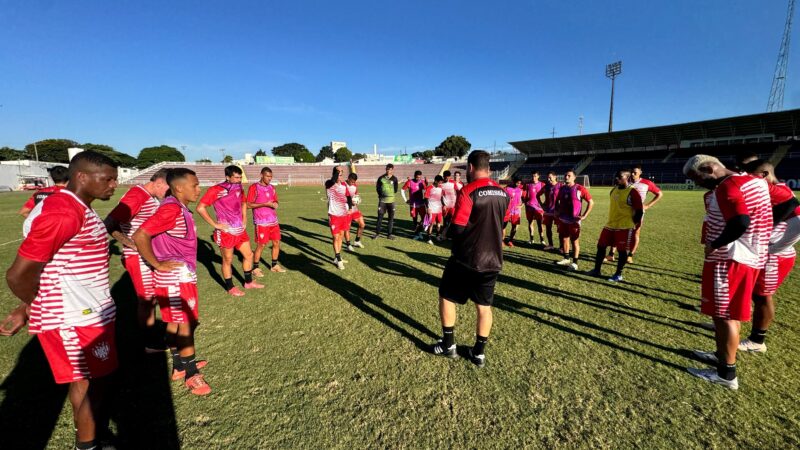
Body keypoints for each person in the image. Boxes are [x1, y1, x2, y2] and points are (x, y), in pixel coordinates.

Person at [2, 151, 119, 449]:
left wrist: (26, 308)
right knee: (95, 383)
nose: (113, 185)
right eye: (107, 179)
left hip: (88, 311)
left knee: (85, 382)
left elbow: (53, 266)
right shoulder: (64, 213)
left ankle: (90, 437)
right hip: (75, 317)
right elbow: (18, 275)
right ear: (81, 177)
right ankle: (88, 444)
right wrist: (33, 306)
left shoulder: (77, 206)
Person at [683, 155, 772, 390]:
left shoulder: (728, 186)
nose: (697, 184)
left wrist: (716, 243)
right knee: (729, 313)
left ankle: (726, 374)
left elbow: (740, 221)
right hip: (750, 257)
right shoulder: (753, 181)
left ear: (709, 168)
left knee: (724, 316)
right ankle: (721, 355)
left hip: (731, 259)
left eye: (697, 178)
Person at [134, 168, 211, 395]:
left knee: (176, 322)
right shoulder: (171, 210)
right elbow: (141, 235)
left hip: (179, 275)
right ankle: (191, 374)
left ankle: (179, 366)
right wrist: (157, 264)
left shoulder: (177, 208)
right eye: (195, 185)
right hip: (175, 277)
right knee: (186, 324)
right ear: (179, 187)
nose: (199, 189)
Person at [431, 150, 510, 368]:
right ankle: (479, 353)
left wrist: (448, 236)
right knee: (484, 307)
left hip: (466, 259)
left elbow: (457, 228)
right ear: (489, 168)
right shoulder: (504, 193)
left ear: (471, 168)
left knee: (447, 296)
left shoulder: (468, 191)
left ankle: (448, 345)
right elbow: (501, 225)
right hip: (493, 260)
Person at [104, 168, 170, 352]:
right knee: (146, 299)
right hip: (138, 258)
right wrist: (132, 245)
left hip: (147, 255)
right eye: (168, 188)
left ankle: (153, 334)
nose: (169, 193)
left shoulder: (147, 195)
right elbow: (109, 224)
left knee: (153, 298)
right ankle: (150, 342)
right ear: (159, 183)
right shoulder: (137, 196)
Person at [738, 160, 800, 353]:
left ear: (764, 175)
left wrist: (775, 246)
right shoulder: (771, 191)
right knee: (750, 292)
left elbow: (796, 221)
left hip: (775, 256)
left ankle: (757, 341)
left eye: (751, 176)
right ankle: (732, 324)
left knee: (762, 296)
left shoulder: (781, 193)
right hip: (765, 252)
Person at [197, 165, 263, 296]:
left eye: (240, 177)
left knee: (249, 255)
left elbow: (244, 203)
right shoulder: (216, 190)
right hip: (226, 232)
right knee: (228, 260)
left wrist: (244, 219)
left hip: (240, 230)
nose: (239, 180)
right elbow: (200, 208)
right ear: (227, 177)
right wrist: (216, 225)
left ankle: (248, 283)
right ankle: (230, 287)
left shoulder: (239, 187)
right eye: (236, 177)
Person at [588, 170, 643, 282]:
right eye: (616, 176)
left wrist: (633, 223)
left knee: (622, 251)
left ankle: (618, 274)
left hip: (625, 226)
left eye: (619, 177)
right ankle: (596, 270)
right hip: (610, 224)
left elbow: (639, 211)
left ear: (627, 178)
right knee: (601, 246)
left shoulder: (633, 192)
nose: (616, 178)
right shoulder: (613, 190)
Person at [606, 165, 663, 263]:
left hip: (637, 212)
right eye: (631, 172)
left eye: (635, 173)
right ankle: (611, 254)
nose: (632, 174)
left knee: (636, 233)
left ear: (640, 173)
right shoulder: (625, 181)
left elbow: (659, 194)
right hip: (623, 212)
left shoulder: (647, 183)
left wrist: (647, 206)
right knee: (618, 231)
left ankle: (630, 255)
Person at [246, 167, 286, 276]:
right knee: (261, 245)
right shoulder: (254, 187)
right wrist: (265, 204)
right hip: (261, 222)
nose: (269, 179)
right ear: (261, 175)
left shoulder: (272, 188)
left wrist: (275, 204)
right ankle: (255, 268)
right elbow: (248, 205)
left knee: (277, 242)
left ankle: (274, 265)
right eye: (267, 176)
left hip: (273, 221)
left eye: (271, 177)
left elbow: (275, 201)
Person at [554, 170, 593, 271]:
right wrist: (557, 210)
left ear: (574, 178)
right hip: (563, 219)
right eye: (565, 175)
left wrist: (584, 215)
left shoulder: (580, 188)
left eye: (569, 176)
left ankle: (575, 263)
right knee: (564, 238)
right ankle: (566, 258)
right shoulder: (562, 188)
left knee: (575, 241)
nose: (566, 177)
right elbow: (557, 200)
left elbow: (591, 202)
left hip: (574, 220)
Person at [326, 166, 353, 270]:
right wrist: (337, 171)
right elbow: (333, 180)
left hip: (343, 214)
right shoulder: (329, 184)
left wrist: (350, 208)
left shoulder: (343, 185)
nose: (340, 175)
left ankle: (337, 257)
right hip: (333, 215)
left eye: (342, 173)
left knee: (341, 236)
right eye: (339, 173)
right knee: (336, 237)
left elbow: (349, 197)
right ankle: (339, 259)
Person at [374, 164, 398, 240]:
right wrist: (382, 195)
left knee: (391, 218)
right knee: (380, 218)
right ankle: (377, 233)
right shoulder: (381, 178)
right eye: (387, 169)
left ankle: (389, 234)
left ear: (392, 170)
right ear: (385, 169)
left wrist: (389, 194)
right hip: (382, 201)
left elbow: (396, 189)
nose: (388, 171)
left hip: (391, 201)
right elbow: (378, 188)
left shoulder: (394, 179)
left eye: (390, 169)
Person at [523, 171, 545, 246]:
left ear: (538, 176)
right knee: (530, 223)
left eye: (535, 176)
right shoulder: (528, 184)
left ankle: (542, 240)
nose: (534, 178)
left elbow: (548, 194)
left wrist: (543, 204)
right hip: (529, 207)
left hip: (539, 208)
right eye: (532, 176)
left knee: (540, 224)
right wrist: (525, 203)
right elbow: (524, 195)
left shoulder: (542, 184)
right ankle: (531, 239)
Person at [540, 171, 562, 250]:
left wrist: (560, 209)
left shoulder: (560, 186)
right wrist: (542, 205)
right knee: (548, 228)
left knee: (560, 230)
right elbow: (537, 195)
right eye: (548, 178)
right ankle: (550, 245)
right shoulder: (546, 186)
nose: (548, 179)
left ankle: (561, 247)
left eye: (550, 177)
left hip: (557, 212)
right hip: (548, 211)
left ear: (555, 177)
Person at [403, 171, 428, 238]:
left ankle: (418, 230)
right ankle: (416, 232)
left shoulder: (422, 182)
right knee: (414, 218)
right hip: (413, 204)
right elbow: (402, 190)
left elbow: (426, 190)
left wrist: (426, 184)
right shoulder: (409, 182)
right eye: (417, 177)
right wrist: (405, 200)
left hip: (421, 203)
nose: (418, 179)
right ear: (414, 176)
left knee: (425, 218)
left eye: (419, 177)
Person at [344, 173, 365, 250]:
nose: (353, 183)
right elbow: (341, 197)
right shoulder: (343, 185)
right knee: (347, 228)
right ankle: (348, 244)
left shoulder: (355, 185)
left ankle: (357, 241)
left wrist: (358, 199)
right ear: (348, 178)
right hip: (346, 209)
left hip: (355, 209)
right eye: (352, 182)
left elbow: (356, 195)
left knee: (362, 224)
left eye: (354, 182)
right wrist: (349, 202)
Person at [423, 175, 445, 244]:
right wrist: (428, 208)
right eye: (439, 182)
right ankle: (428, 238)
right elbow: (426, 199)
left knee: (439, 223)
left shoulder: (441, 187)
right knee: (431, 224)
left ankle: (437, 236)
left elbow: (441, 198)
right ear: (435, 181)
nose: (440, 184)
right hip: (432, 209)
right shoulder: (429, 188)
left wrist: (443, 205)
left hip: (439, 209)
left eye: (441, 183)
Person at [503, 177, 524, 247]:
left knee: (514, 226)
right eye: (517, 183)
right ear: (513, 181)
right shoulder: (507, 189)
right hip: (507, 211)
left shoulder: (520, 190)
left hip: (516, 211)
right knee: (503, 226)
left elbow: (524, 198)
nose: (518, 184)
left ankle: (510, 240)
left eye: (520, 183)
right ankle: (502, 241)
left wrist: (521, 205)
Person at [440, 170, 458, 239]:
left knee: (451, 221)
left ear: (450, 177)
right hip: (445, 205)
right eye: (446, 178)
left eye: (448, 178)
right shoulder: (441, 185)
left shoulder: (453, 183)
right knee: (445, 221)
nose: (447, 179)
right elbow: (440, 196)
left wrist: (457, 202)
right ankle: (445, 235)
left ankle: (446, 235)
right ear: (443, 177)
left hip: (453, 205)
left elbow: (458, 192)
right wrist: (443, 205)